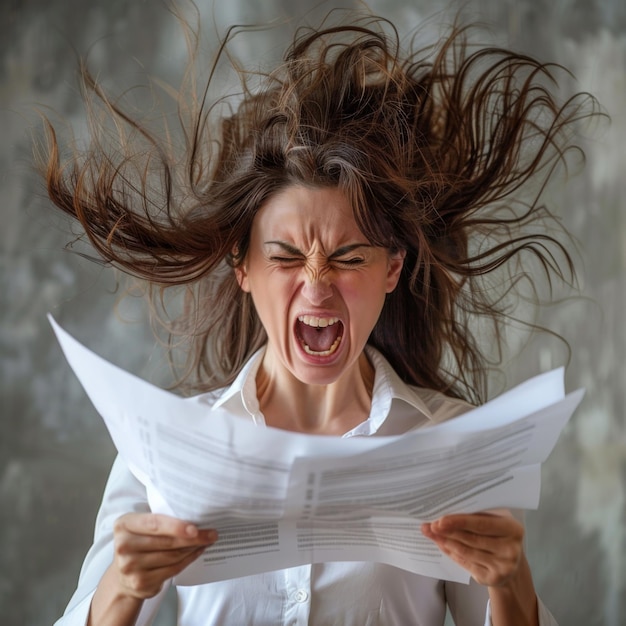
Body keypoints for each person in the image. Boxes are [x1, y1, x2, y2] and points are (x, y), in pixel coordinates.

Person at [41, 9, 595, 626]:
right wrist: (122, 585)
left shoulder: (455, 448)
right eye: (284, 257)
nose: (317, 284)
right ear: (242, 268)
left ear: (391, 269)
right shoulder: (161, 452)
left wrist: (510, 582)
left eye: (348, 256)